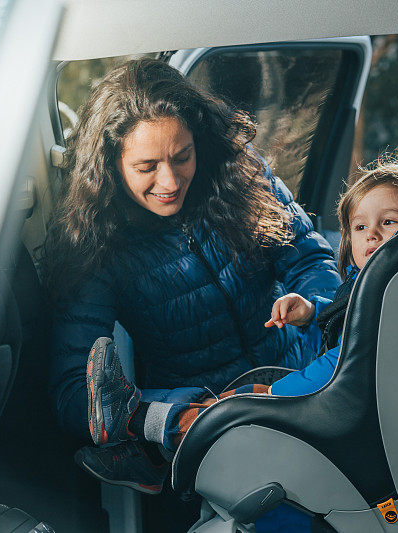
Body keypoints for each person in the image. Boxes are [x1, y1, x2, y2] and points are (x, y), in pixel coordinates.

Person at [40, 58, 341, 519]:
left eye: (182, 156)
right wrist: (166, 417)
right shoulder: (98, 243)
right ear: (111, 165)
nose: (171, 180)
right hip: (211, 430)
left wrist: (313, 304)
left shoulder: (239, 172)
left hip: (303, 390)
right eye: (147, 167)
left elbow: (309, 256)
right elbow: (70, 393)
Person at [77, 143, 398, 490]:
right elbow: (344, 329)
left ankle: (138, 425)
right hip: (321, 390)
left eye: (388, 222)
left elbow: (353, 358)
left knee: (230, 411)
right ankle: (148, 446)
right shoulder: (372, 287)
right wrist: (314, 312)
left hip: (331, 400)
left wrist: (283, 389)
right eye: (360, 226)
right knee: (229, 406)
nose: (370, 236)